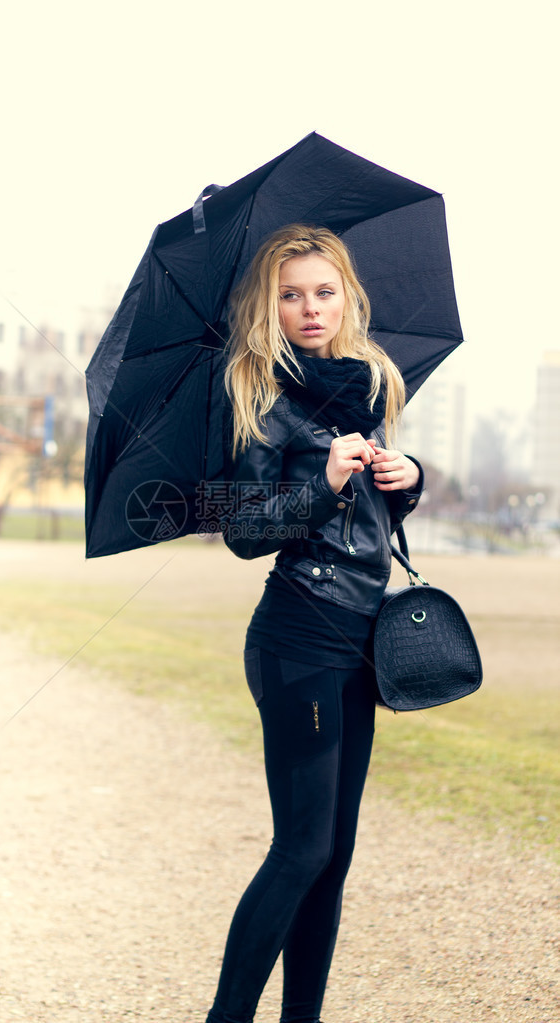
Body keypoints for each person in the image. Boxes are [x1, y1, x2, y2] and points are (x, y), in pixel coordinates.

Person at [205, 224, 423, 1023]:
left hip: (361, 636)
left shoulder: (367, 384)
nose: (309, 307)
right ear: (271, 304)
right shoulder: (256, 393)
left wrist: (407, 477)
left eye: (324, 291)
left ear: (347, 296)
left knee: (332, 859)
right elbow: (239, 530)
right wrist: (323, 484)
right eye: (291, 294)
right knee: (299, 850)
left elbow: (370, 522)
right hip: (298, 634)